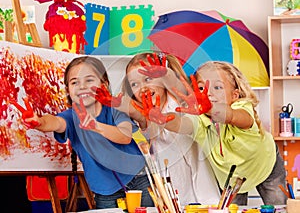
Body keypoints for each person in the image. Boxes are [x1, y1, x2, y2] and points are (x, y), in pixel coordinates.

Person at [12, 56, 154, 209]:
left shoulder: (116, 108)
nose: (82, 86)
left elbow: (125, 136)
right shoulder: (71, 117)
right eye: (74, 82)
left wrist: (95, 126)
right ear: (68, 89)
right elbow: (55, 122)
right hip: (105, 190)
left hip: (139, 178)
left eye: (89, 80)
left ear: (104, 84)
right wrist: (39, 122)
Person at [174, 61, 287, 206]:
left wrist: (211, 109)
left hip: (265, 166)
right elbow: (182, 125)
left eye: (217, 87)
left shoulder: (241, 107)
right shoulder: (201, 121)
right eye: (201, 87)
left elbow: (236, 117)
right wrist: (163, 119)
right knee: (231, 209)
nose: (208, 92)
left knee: (279, 207)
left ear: (234, 95)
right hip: (232, 178)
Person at [122, 52, 220, 206]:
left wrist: (166, 74)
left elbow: (176, 87)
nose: (142, 88)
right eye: (134, 84)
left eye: (148, 79)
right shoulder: (142, 114)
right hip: (170, 193)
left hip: (200, 194)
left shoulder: (178, 102)